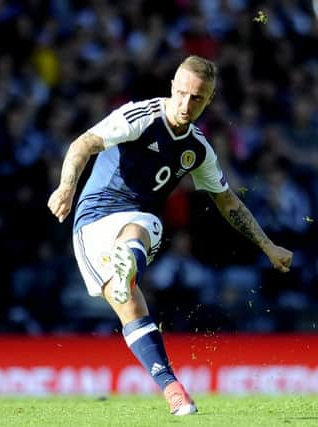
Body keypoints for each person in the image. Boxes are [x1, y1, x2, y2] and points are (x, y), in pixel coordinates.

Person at [47, 55, 293, 416]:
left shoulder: (197, 149)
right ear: (172, 87)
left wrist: (268, 246)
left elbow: (229, 203)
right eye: (182, 94)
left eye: (197, 98)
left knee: (133, 300)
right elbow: (84, 143)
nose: (186, 104)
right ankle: (128, 258)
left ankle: (174, 392)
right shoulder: (140, 117)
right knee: (148, 230)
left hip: (133, 224)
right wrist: (66, 186)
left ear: (209, 100)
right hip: (94, 220)